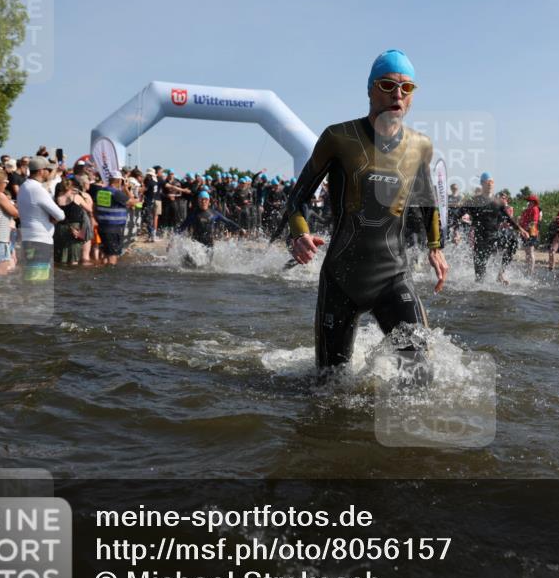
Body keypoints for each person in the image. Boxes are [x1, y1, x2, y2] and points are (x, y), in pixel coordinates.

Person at [282, 49, 448, 375]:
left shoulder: (420, 146)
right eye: (387, 85)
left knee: (421, 374)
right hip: (341, 279)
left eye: (406, 88)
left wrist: (435, 248)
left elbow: (428, 202)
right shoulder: (338, 138)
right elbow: (296, 198)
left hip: (394, 278)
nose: (397, 95)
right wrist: (299, 232)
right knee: (328, 386)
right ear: (370, 89)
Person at [463, 172, 529, 283]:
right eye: (487, 182)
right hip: (481, 241)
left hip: (495, 237)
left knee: (513, 240)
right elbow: (459, 213)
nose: (490, 184)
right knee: (479, 279)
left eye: (492, 182)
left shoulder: (498, 202)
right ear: (482, 184)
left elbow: (508, 218)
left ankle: (501, 273)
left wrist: (520, 229)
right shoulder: (474, 201)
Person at [18, 156, 65, 281]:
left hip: (29, 237)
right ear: (40, 171)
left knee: (30, 277)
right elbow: (60, 215)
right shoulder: (37, 189)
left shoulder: (24, 186)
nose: (49, 173)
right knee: (38, 279)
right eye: (47, 170)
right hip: (40, 240)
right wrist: (54, 218)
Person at [93, 171, 138, 266]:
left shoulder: (100, 191)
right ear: (119, 181)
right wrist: (126, 189)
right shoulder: (116, 193)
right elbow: (133, 202)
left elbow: (94, 207)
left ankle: (103, 275)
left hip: (103, 226)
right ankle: (111, 277)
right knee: (113, 255)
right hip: (113, 229)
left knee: (106, 254)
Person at [177, 191, 241, 253]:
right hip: (196, 245)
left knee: (208, 263)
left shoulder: (214, 213)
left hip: (209, 244)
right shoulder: (193, 214)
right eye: (201, 199)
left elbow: (227, 221)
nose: (203, 201)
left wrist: (240, 228)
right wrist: (173, 239)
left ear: (209, 201)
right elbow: (182, 228)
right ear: (198, 201)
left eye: (206, 199)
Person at [54, 177, 91, 265]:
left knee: (62, 254)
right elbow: (89, 209)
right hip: (75, 228)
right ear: (72, 187)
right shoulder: (76, 197)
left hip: (60, 228)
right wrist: (86, 198)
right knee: (73, 256)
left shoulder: (58, 198)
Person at [519, 194, 541, 274]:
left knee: (530, 251)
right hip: (525, 232)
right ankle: (528, 269)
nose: (529, 202)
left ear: (534, 202)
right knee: (527, 251)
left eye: (531, 201)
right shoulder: (527, 210)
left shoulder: (535, 209)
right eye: (528, 201)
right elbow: (521, 221)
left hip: (532, 232)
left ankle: (530, 271)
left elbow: (534, 222)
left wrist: (525, 229)